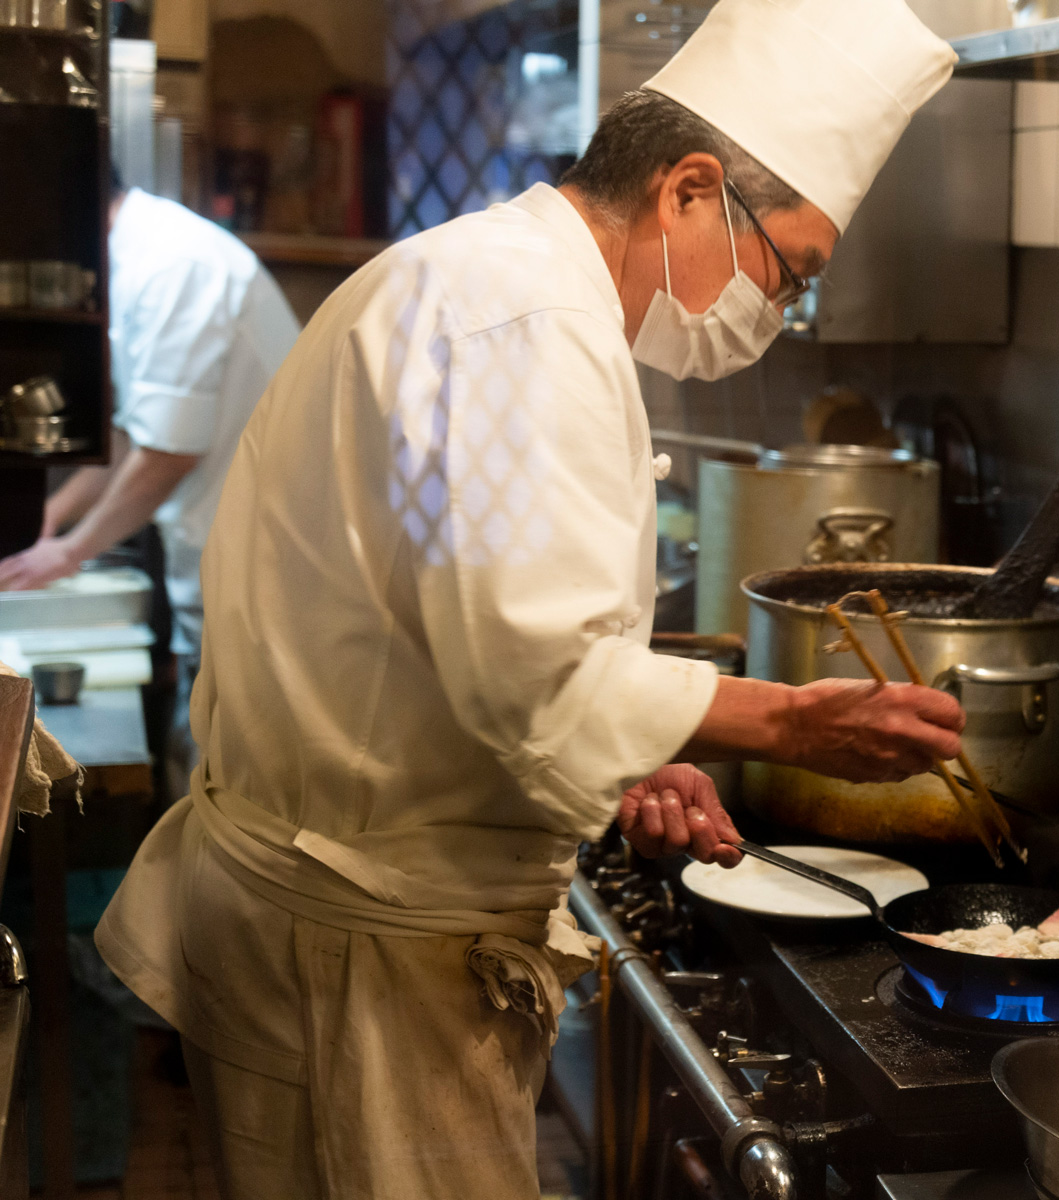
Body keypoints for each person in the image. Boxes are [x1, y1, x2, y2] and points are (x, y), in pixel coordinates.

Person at [94, 2, 960, 1196]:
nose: (781, 308)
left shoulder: (501, 289)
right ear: (690, 191)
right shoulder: (519, 319)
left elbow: (463, 636)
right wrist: (797, 723)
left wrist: (636, 749)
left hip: (353, 913)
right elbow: (528, 668)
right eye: (789, 269)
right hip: (361, 951)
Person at [0, 181, 301, 785]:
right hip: (220, 553)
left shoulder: (176, 265)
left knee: (238, 770)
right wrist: (56, 513)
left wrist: (68, 552)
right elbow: (140, 431)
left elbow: (167, 454)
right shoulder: (143, 259)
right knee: (208, 754)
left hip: (269, 566)